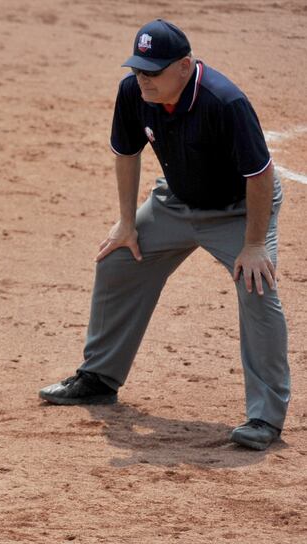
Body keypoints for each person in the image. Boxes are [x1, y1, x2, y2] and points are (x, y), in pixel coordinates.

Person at [38, 19, 288, 450]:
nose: (143, 79)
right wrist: (126, 222)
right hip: (175, 201)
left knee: (256, 285)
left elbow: (260, 175)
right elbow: (127, 152)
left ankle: (265, 418)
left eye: (152, 71)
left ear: (185, 66)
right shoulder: (132, 92)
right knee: (119, 258)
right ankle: (99, 377)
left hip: (238, 210)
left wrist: (252, 244)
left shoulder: (224, 102)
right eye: (138, 69)